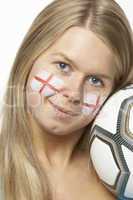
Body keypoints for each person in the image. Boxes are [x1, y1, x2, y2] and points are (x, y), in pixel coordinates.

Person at [0, 0, 133, 199]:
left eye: (95, 80)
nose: (73, 94)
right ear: (29, 57)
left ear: (114, 90)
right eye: (63, 66)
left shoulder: (122, 180)